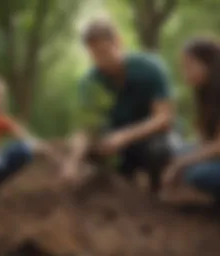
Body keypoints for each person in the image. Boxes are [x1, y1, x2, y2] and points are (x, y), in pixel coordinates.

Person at [63, 19, 174, 192]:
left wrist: (125, 136)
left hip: (148, 139)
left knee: (159, 149)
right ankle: (116, 181)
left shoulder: (150, 68)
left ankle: (156, 190)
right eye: (94, 55)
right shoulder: (90, 82)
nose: (101, 60)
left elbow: (164, 117)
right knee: (79, 145)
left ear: (118, 43)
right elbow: (86, 127)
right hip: (113, 143)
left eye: (105, 52)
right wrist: (72, 163)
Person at [164, 38, 220, 200]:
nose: (184, 72)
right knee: (174, 152)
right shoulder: (205, 93)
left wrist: (181, 163)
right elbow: (204, 139)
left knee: (198, 174)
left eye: (189, 65)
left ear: (208, 64)